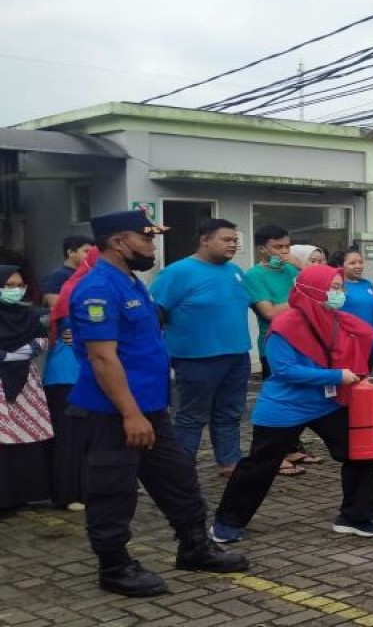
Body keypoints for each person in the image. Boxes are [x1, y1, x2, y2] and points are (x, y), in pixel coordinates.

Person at [68, 209, 246, 597]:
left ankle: (194, 547)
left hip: (150, 408)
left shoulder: (131, 282)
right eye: (146, 238)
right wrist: (130, 414)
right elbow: (102, 358)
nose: (153, 246)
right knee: (113, 490)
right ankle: (114, 567)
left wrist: (146, 411)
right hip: (114, 413)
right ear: (119, 242)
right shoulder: (98, 288)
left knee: (178, 479)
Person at [210, 265, 373, 543]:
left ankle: (355, 517)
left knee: (359, 455)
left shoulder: (346, 322)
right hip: (285, 407)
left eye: (341, 288)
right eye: (335, 288)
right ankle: (227, 521)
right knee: (260, 465)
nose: (340, 294)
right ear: (313, 291)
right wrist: (336, 376)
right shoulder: (284, 326)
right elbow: (285, 370)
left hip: (330, 403)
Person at [149, 219, 252, 479]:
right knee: (192, 416)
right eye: (226, 239)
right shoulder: (177, 272)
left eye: (235, 240)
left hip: (237, 354)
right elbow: (154, 313)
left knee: (230, 413)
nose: (233, 244)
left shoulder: (234, 271)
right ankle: (182, 468)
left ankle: (229, 462)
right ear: (204, 240)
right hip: (196, 358)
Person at [242, 224, 313, 476]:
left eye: (287, 246)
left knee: (298, 398)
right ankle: (271, 456)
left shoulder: (292, 269)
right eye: (277, 247)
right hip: (275, 345)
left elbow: (320, 289)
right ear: (262, 249)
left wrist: (302, 267)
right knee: (278, 400)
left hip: (303, 342)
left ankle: (291, 448)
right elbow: (269, 312)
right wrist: (301, 299)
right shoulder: (254, 275)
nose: (283, 252)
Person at [44, 248, 99, 511]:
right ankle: (71, 492)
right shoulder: (80, 291)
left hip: (86, 372)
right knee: (71, 436)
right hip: (69, 374)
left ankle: (87, 489)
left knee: (89, 434)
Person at [0, 264, 54, 511]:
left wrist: (8, 356)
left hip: (26, 383)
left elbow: (41, 341)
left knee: (25, 435)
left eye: (19, 285)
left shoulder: (29, 315)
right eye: (8, 285)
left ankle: (22, 493)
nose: (15, 290)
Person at [41, 235, 93, 308]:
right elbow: (55, 305)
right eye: (86, 251)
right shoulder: (57, 276)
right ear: (71, 252)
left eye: (92, 252)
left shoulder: (90, 274)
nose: (90, 255)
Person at [331, 247, 373, 329]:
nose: (358, 266)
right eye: (352, 263)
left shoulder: (367, 284)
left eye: (360, 262)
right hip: (348, 334)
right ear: (340, 265)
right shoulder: (337, 286)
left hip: (370, 334)